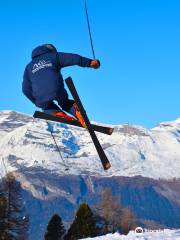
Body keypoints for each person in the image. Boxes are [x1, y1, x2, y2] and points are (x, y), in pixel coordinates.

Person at [22, 44, 100, 126]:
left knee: (47, 107)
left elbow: (25, 89)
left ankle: (57, 114)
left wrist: (36, 101)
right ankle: (76, 110)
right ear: (51, 50)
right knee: (65, 103)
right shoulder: (53, 56)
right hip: (56, 89)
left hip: (40, 97)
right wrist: (90, 62)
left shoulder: (28, 67)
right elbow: (73, 58)